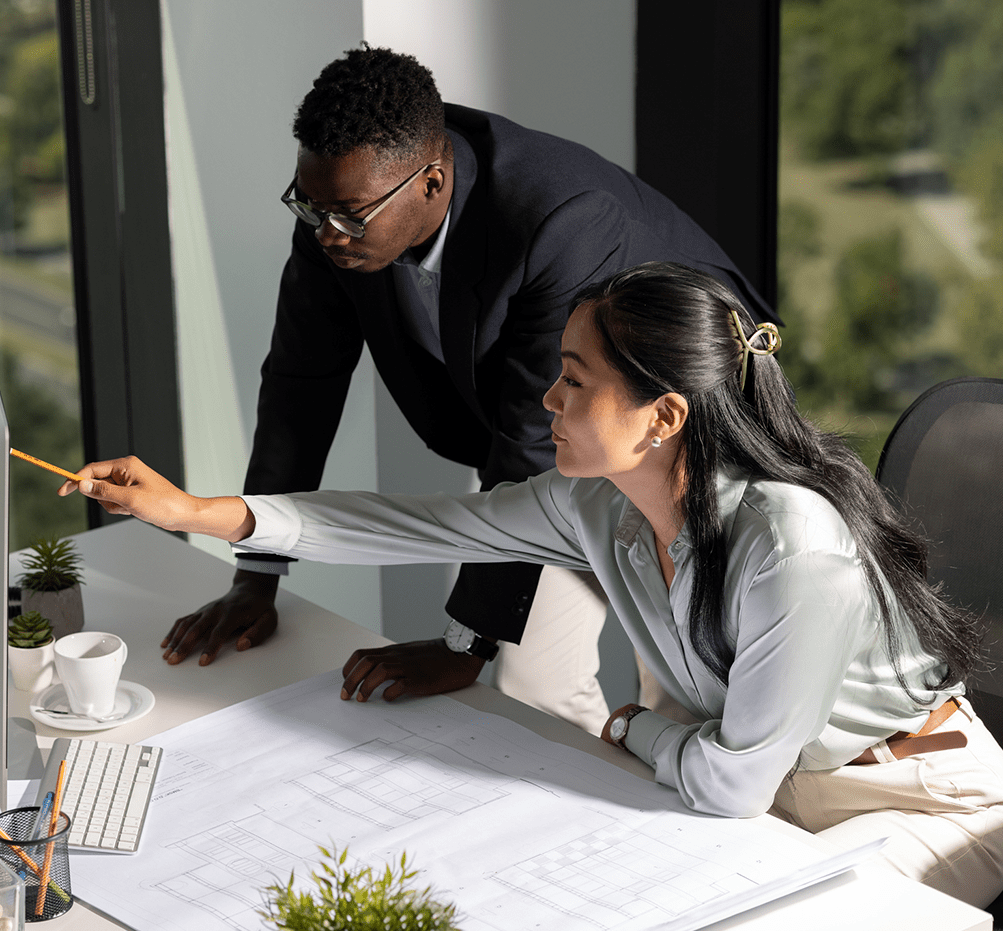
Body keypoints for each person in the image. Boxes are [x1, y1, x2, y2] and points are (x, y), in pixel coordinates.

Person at [61, 262, 1003, 906]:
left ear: (660, 417)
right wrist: (197, 513)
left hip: (913, 800)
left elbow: (729, 786)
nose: (548, 399)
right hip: (773, 781)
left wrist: (636, 725)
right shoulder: (592, 506)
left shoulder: (791, 545)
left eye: (574, 379)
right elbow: (416, 523)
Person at [164, 46, 779, 736]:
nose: (327, 235)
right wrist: (257, 574)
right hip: (568, 433)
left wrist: (465, 642)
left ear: (431, 183)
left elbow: (527, 439)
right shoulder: (341, 210)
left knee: (680, 695)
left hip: (679, 428)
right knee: (535, 686)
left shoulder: (558, 221)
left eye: (348, 216)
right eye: (310, 205)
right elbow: (299, 388)